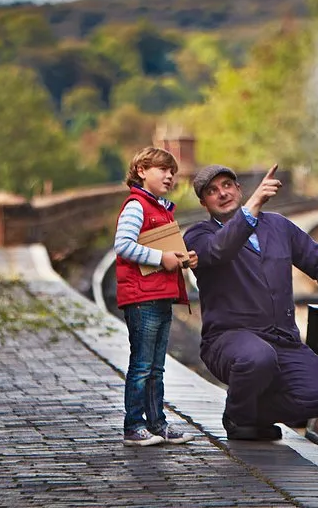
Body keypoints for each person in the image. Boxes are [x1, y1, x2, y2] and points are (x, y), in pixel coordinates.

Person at [184, 163, 318, 441]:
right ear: (204, 203)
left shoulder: (278, 226)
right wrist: (253, 206)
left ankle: (251, 414)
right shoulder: (198, 236)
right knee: (258, 357)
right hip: (229, 339)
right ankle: (237, 415)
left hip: (282, 339)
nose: (222, 193)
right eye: (212, 191)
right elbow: (219, 250)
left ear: (238, 188)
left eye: (227, 185)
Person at [113, 146, 200, 447]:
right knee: (142, 365)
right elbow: (123, 245)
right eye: (162, 170)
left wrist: (182, 258)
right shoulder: (136, 206)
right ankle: (133, 425)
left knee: (156, 367)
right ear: (141, 171)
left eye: (172, 172)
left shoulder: (161, 208)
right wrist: (161, 258)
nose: (169, 176)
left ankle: (156, 422)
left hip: (159, 295)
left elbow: (162, 250)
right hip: (142, 298)